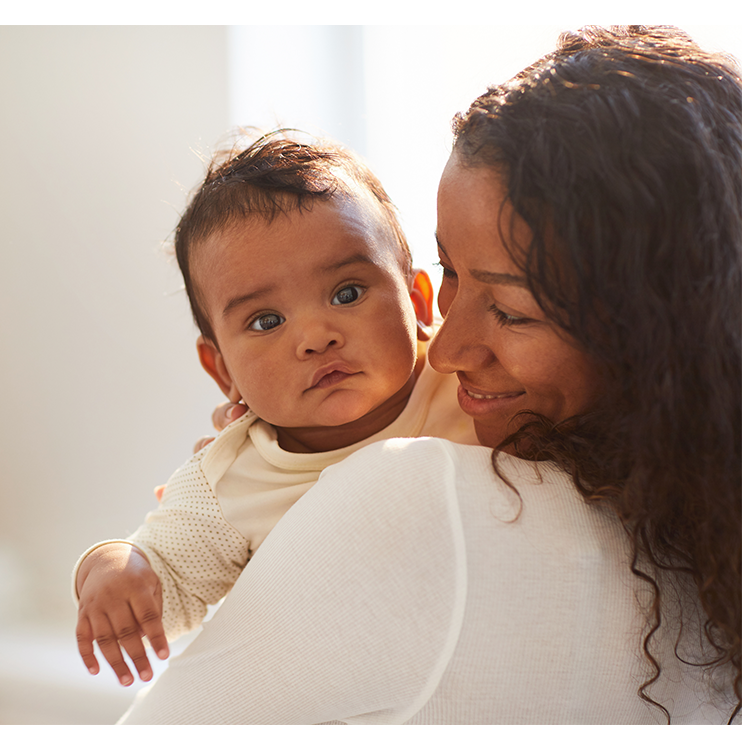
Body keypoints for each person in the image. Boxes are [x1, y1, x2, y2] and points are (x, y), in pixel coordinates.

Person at [117, 26, 741, 724]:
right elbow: (167, 571)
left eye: (509, 309)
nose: (442, 349)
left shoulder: (412, 493)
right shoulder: (706, 536)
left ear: (654, 333)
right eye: (450, 273)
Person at [73, 132, 478, 686]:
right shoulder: (231, 476)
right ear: (223, 372)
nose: (315, 337)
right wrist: (112, 566)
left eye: (347, 293)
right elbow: (168, 581)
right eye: (266, 321)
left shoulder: (469, 381)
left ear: (418, 302)